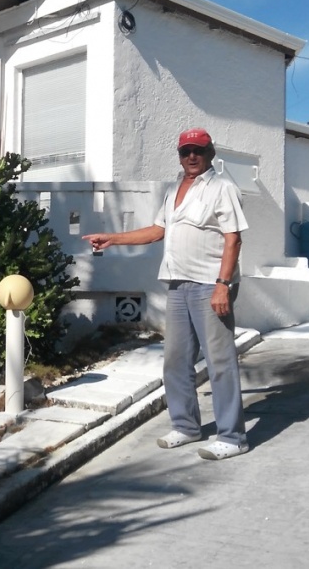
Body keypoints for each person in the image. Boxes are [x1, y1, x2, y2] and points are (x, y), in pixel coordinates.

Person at [82, 127, 249, 460]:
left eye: (198, 150)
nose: (192, 156)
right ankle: (186, 426)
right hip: (177, 283)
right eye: (186, 151)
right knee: (175, 360)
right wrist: (113, 238)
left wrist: (222, 284)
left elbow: (233, 238)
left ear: (211, 153)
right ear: (179, 155)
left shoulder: (223, 188)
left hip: (210, 285)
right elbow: (158, 230)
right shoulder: (174, 189)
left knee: (219, 362)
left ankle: (233, 437)